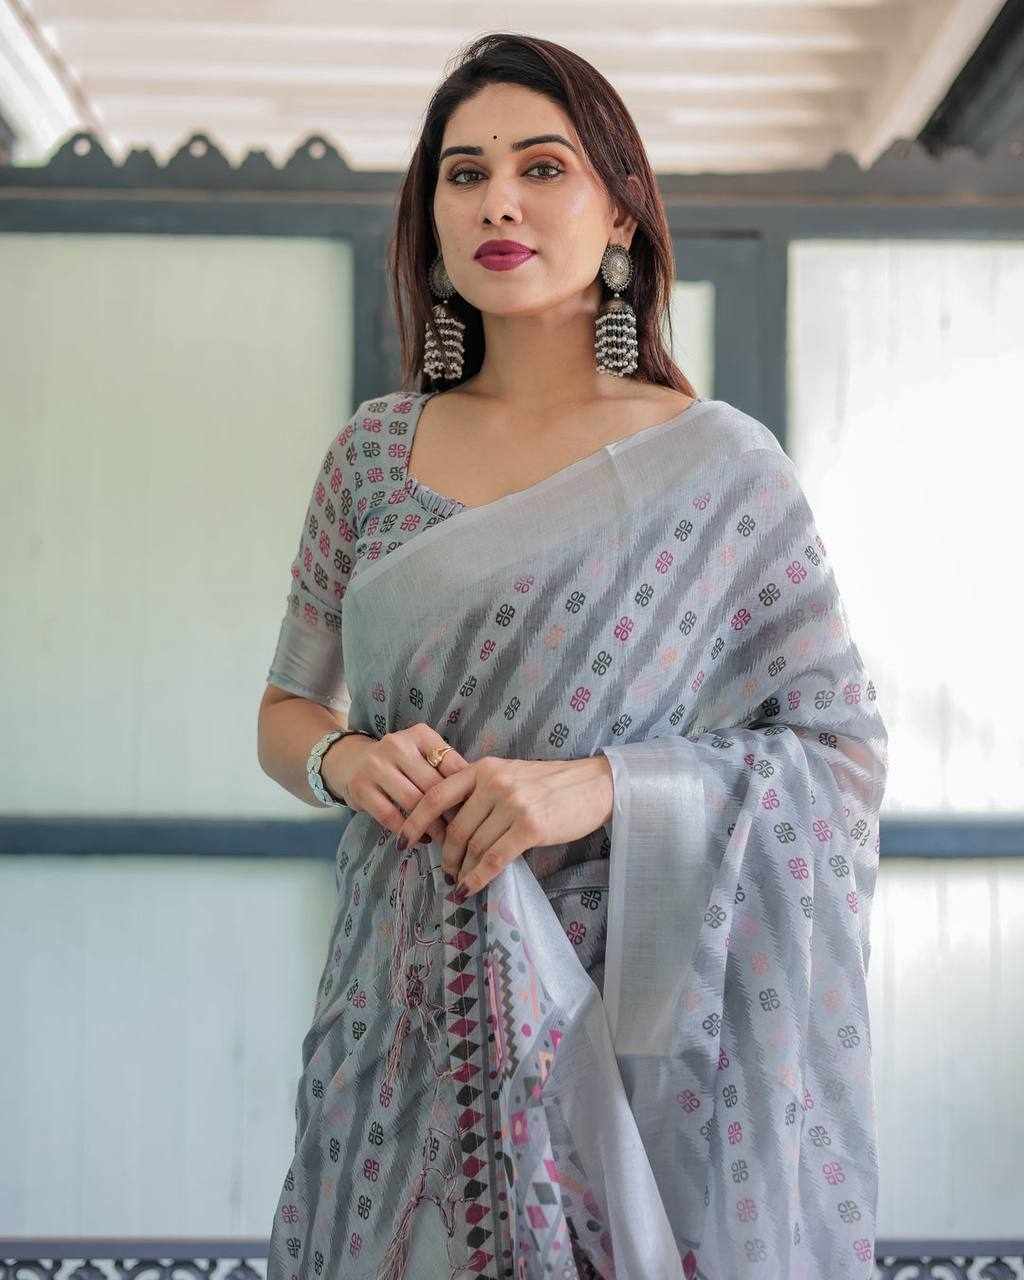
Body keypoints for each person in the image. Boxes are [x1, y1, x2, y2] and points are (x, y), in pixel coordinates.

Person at [257, 33, 888, 1280]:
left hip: (635, 1026)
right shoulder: (372, 454)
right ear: (432, 220)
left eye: (541, 168)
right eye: (464, 173)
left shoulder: (720, 468)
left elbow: (837, 754)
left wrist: (601, 785)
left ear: (621, 217)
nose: (497, 200)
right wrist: (344, 761)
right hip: (402, 1012)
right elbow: (286, 708)